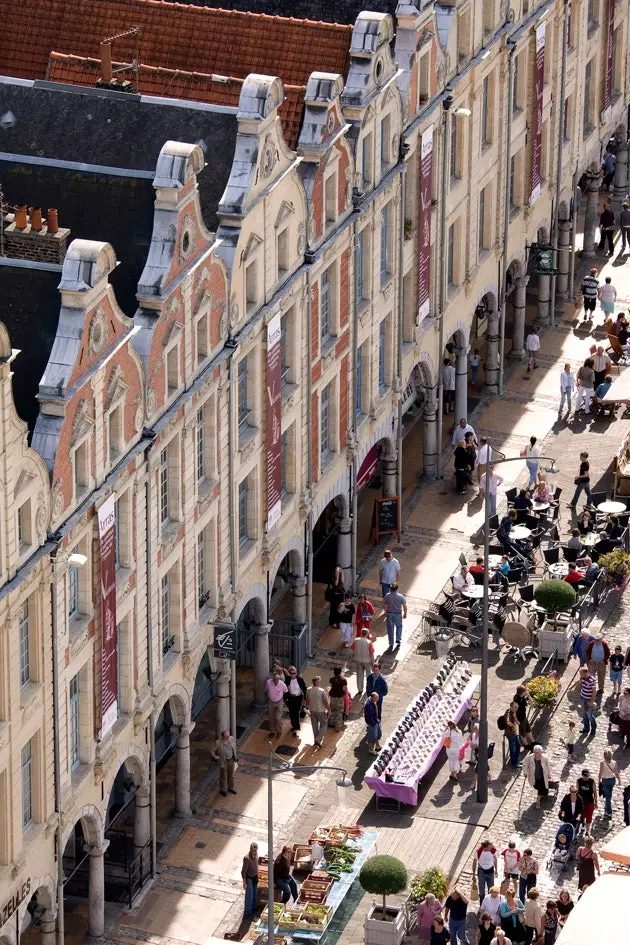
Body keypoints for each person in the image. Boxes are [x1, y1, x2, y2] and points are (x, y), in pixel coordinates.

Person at [212, 729, 238, 797]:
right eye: (226, 737)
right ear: (222, 736)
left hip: (231, 759)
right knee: (223, 776)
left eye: (228, 736)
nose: (228, 738)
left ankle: (230, 788)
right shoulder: (218, 743)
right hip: (224, 761)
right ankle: (222, 790)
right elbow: (212, 750)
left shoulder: (231, 739)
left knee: (231, 775)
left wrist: (235, 756)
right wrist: (216, 757)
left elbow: (234, 748)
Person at [283, 665, 307, 736]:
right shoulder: (287, 679)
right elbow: (285, 688)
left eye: (294, 673)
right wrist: (287, 688)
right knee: (291, 713)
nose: (292, 675)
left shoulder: (300, 679)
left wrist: (305, 699)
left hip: (298, 698)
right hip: (290, 698)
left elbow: (304, 689)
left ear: (296, 673)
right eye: (291, 673)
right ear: (289, 673)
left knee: (296, 713)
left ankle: (296, 729)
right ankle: (294, 726)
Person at [305, 676, 329, 748]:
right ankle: (318, 739)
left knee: (314, 726)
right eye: (319, 681)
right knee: (324, 724)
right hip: (320, 710)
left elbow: (307, 700)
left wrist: (307, 707)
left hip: (312, 710)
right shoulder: (321, 691)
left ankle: (316, 742)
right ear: (316, 682)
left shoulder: (308, 690)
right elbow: (326, 702)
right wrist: (329, 710)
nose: (319, 682)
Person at [383, 581, 407, 649]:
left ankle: (391, 643)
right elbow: (405, 606)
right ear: (397, 589)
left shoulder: (387, 595)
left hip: (390, 614)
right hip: (398, 614)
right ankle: (398, 639)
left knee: (390, 629)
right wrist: (405, 614)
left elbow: (384, 604)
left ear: (390, 589)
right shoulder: (401, 596)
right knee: (399, 626)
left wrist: (385, 612)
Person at [598, 748, 620, 818]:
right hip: (612, 780)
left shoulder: (602, 763)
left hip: (605, 780)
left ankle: (609, 812)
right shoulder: (614, 762)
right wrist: (619, 780)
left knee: (608, 797)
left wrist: (599, 779)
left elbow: (601, 772)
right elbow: (616, 773)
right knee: (609, 793)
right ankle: (608, 804)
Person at [351, 627, 375, 693]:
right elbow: (371, 653)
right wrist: (373, 663)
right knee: (369, 675)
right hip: (367, 661)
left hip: (358, 660)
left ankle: (360, 689)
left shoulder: (356, 640)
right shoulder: (369, 642)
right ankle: (369, 688)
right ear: (367, 634)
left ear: (361, 633)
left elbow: (353, 649)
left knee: (359, 675)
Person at [576, 666, 597, 735]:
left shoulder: (592, 680)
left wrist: (591, 701)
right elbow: (580, 686)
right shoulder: (582, 678)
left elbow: (594, 692)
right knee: (584, 715)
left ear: (585, 673)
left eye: (581, 674)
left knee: (590, 716)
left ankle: (593, 729)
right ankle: (586, 728)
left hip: (588, 700)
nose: (580, 675)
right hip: (583, 698)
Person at [266, 672, 288, 739]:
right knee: (271, 717)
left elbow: (286, 691)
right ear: (272, 678)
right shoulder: (268, 682)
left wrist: (280, 696)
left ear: (279, 679)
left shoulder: (282, 684)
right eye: (274, 679)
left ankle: (279, 731)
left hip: (279, 702)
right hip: (270, 702)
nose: (275, 681)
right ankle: (273, 731)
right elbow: (266, 689)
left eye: (277, 679)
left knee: (278, 718)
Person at [242, 842, 259, 916]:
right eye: (253, 850)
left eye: (256, 850)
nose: (255, 852)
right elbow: (243, 872)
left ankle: (253, 908)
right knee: (250, 895)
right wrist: (244, 882)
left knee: (255, 893)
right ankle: (247, 911)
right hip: (249, 878)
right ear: (250, 850)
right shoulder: (247, 858)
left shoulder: (256, 856)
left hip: (255, 877)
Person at [328, 666, 348, 732]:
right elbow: (344, 688)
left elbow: (332, 685)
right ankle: (338, 727)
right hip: (339, 697)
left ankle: (331, 723)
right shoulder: (343, 680)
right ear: (340, 672)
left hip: (333, 696)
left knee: (333, 710)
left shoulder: (331, 679)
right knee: (339, 711)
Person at [503, 703, 521, 768]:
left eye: (517, 707)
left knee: (518, 745)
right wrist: (513, 726)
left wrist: (517, 722)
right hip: (510, 733)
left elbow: (515, 717)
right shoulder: (508, 713)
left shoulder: (514, 711)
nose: (517, 708)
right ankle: (514, 763)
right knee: (513, 748)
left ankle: (517, 760)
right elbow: (508, 722)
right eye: (515, 707)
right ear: (511, 707)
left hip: (515, 732)